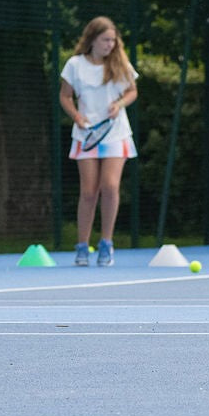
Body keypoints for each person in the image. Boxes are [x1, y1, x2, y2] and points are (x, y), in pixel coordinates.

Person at [59, 16, 138, 266]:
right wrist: (76, 116)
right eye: (105, 40)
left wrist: (119, 104)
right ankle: (82, 246)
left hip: (116, 133)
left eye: (113, 41)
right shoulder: (74, 65)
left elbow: (132, 91)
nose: (110, 45)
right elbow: (65, 96)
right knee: (89, 191)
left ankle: (106, 243)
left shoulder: (119, 63)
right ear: (92, 39)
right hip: (86, 134)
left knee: (110, 187)